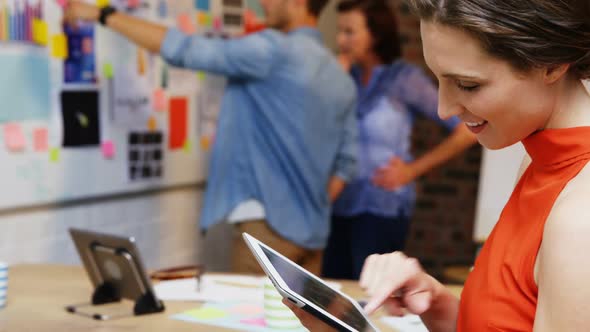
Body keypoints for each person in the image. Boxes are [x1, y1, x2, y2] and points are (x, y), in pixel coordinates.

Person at [286, 0, 590, 330]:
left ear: (551, 64)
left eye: (468, 85)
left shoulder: (579, 218)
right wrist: (439, 306)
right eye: (439, 80)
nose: (444, 109)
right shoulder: (541, 163)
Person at [64, 0, 358, 275]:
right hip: (314, 234)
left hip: (269, 231)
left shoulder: (272, 51)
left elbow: (184, 49)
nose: (263, 2)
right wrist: (307, 205)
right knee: (300, 328)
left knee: (251, 324)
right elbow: (347, 164)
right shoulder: (340, 77)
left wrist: (102, 14)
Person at [322, 0, 476, 281]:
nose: (340, 40)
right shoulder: (342, 77)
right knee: (334, 291)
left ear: (376, 34)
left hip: (382, 207)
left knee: (370, 292)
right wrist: (333, 84)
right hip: (339, 202)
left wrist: (411, 171)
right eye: (339, 30)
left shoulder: (404, 79)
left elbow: (465, 130)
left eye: (350, 31)